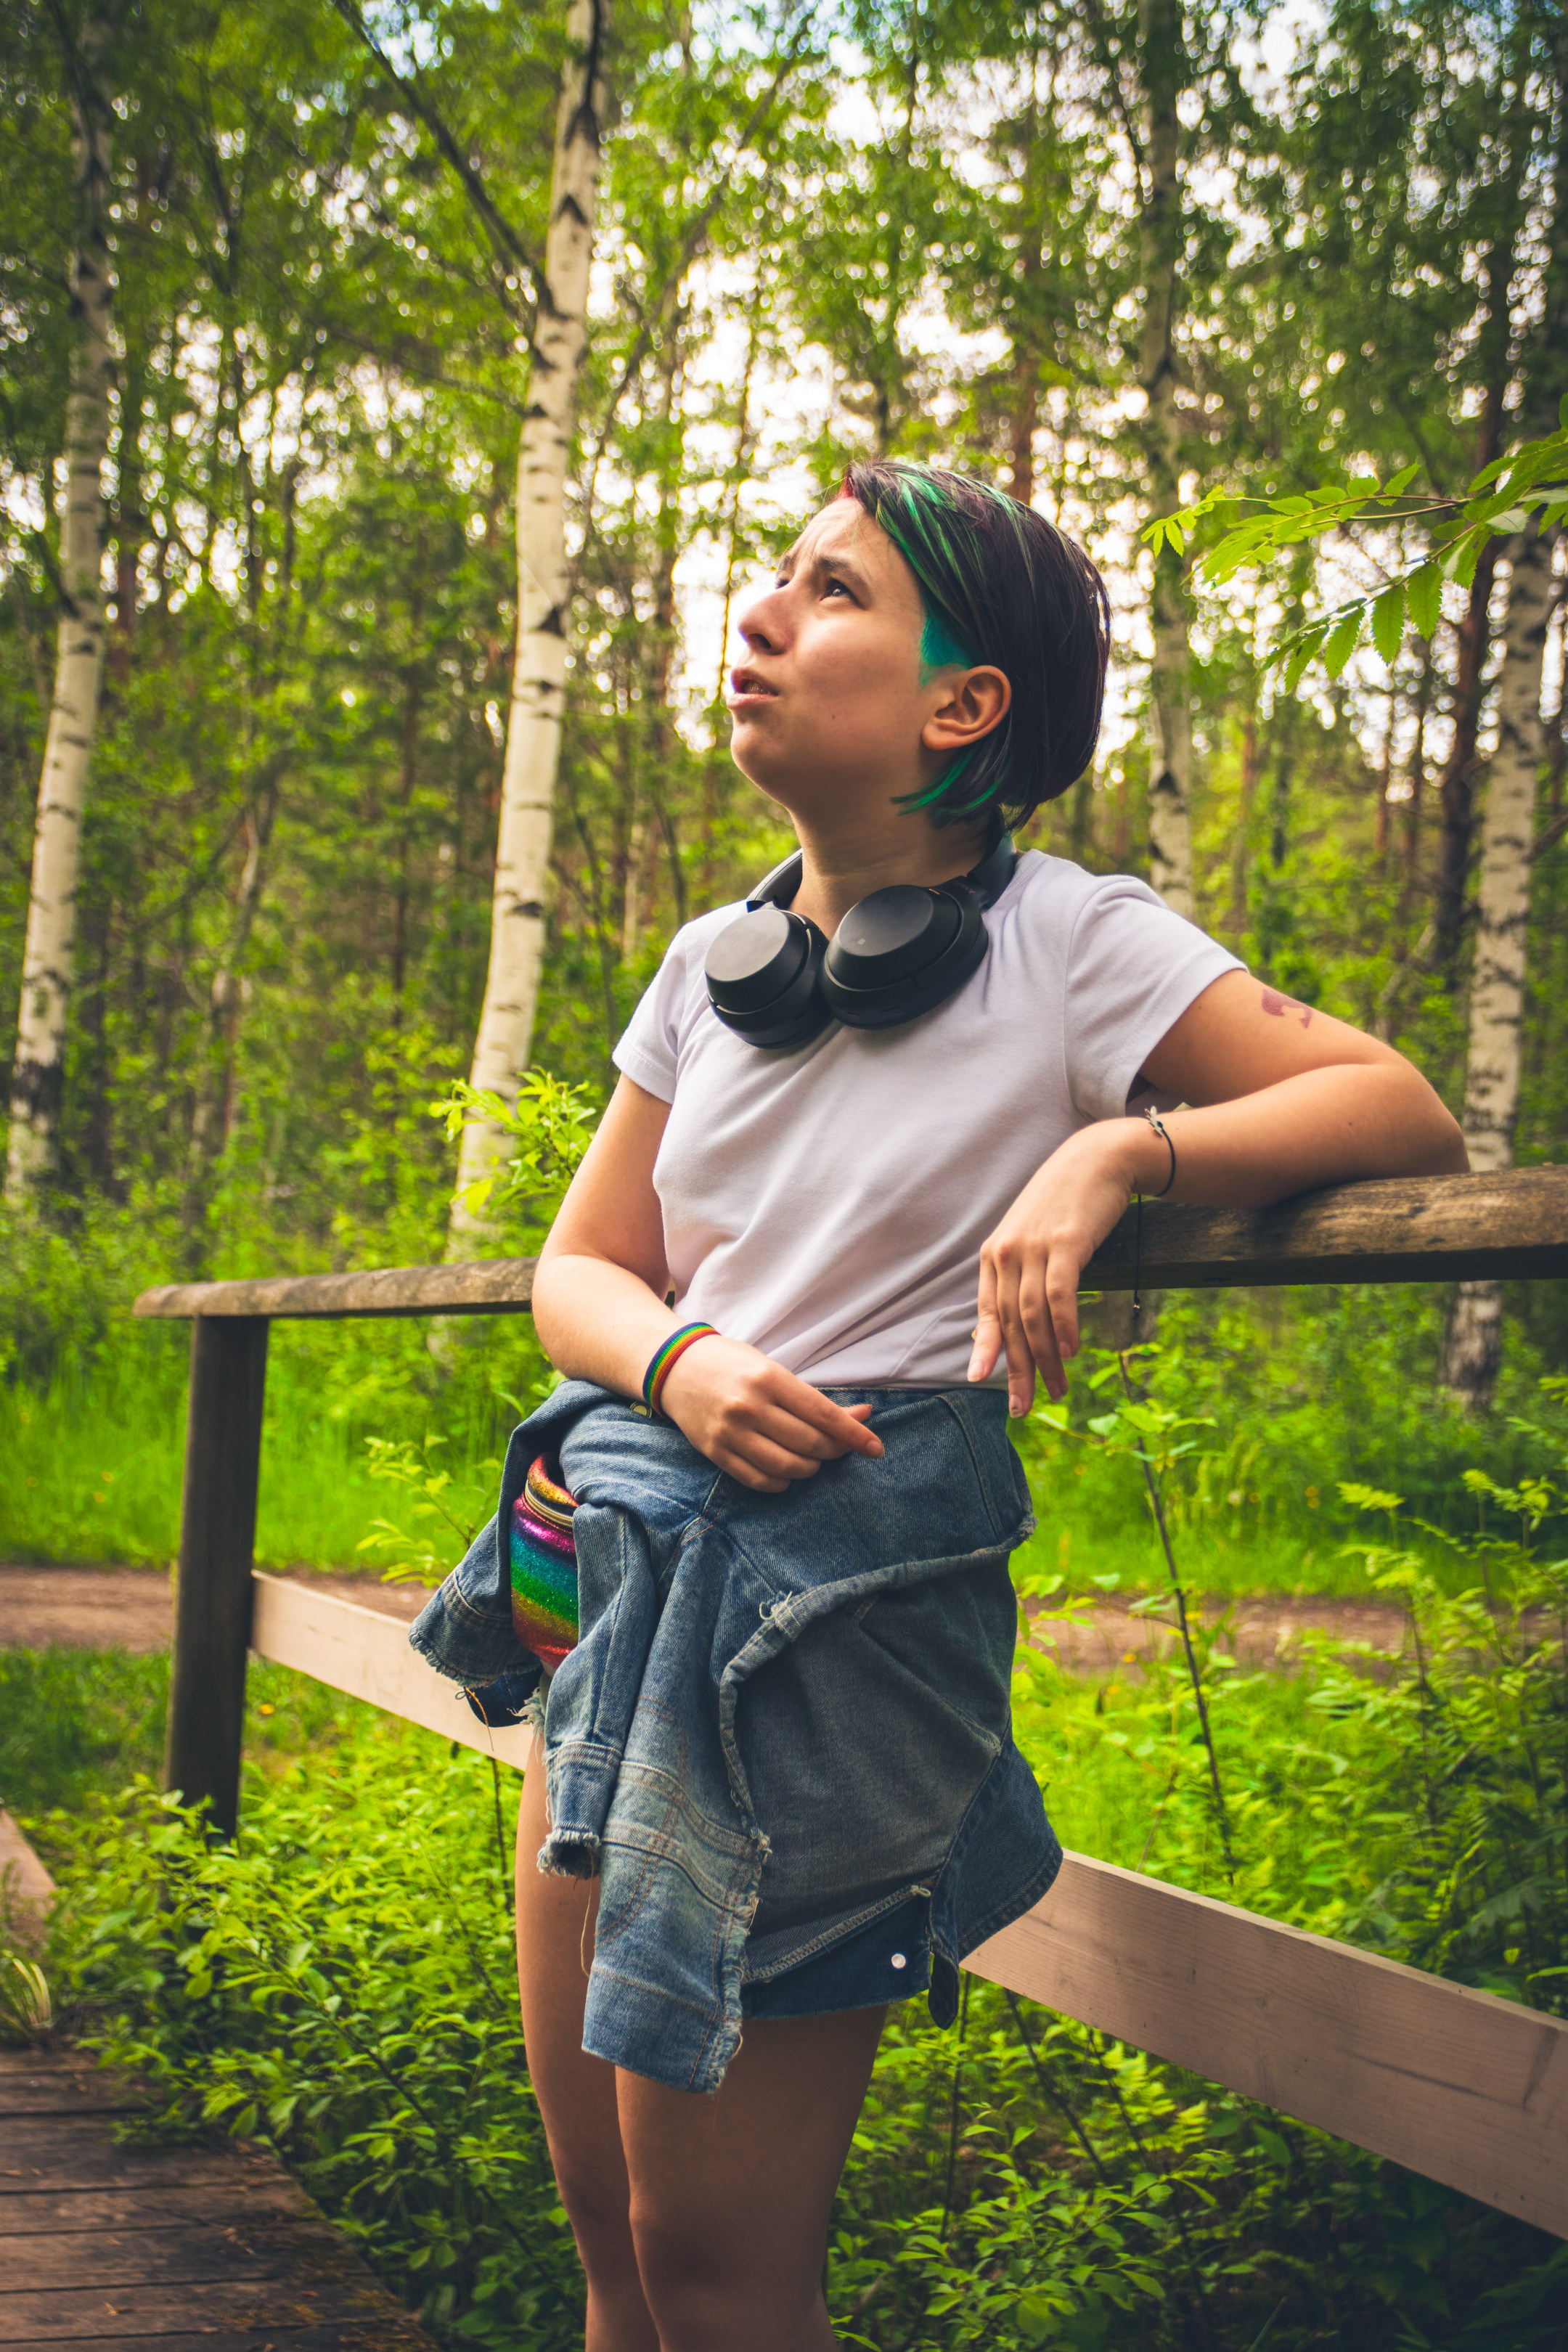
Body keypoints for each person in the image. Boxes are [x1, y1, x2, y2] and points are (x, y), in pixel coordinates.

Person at [414, 461, 1466, 2352]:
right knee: (612, 2250)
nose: (760, 613)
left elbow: (1401, 1111)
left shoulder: (1072, 941)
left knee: (718, 2269)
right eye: (776, 577)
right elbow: (580, 1272)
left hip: (822, 1635)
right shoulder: (708, 969)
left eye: (832, 592)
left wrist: (1118, 1150)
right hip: (608, 1572)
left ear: (963, 704)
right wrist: (680, 1361)